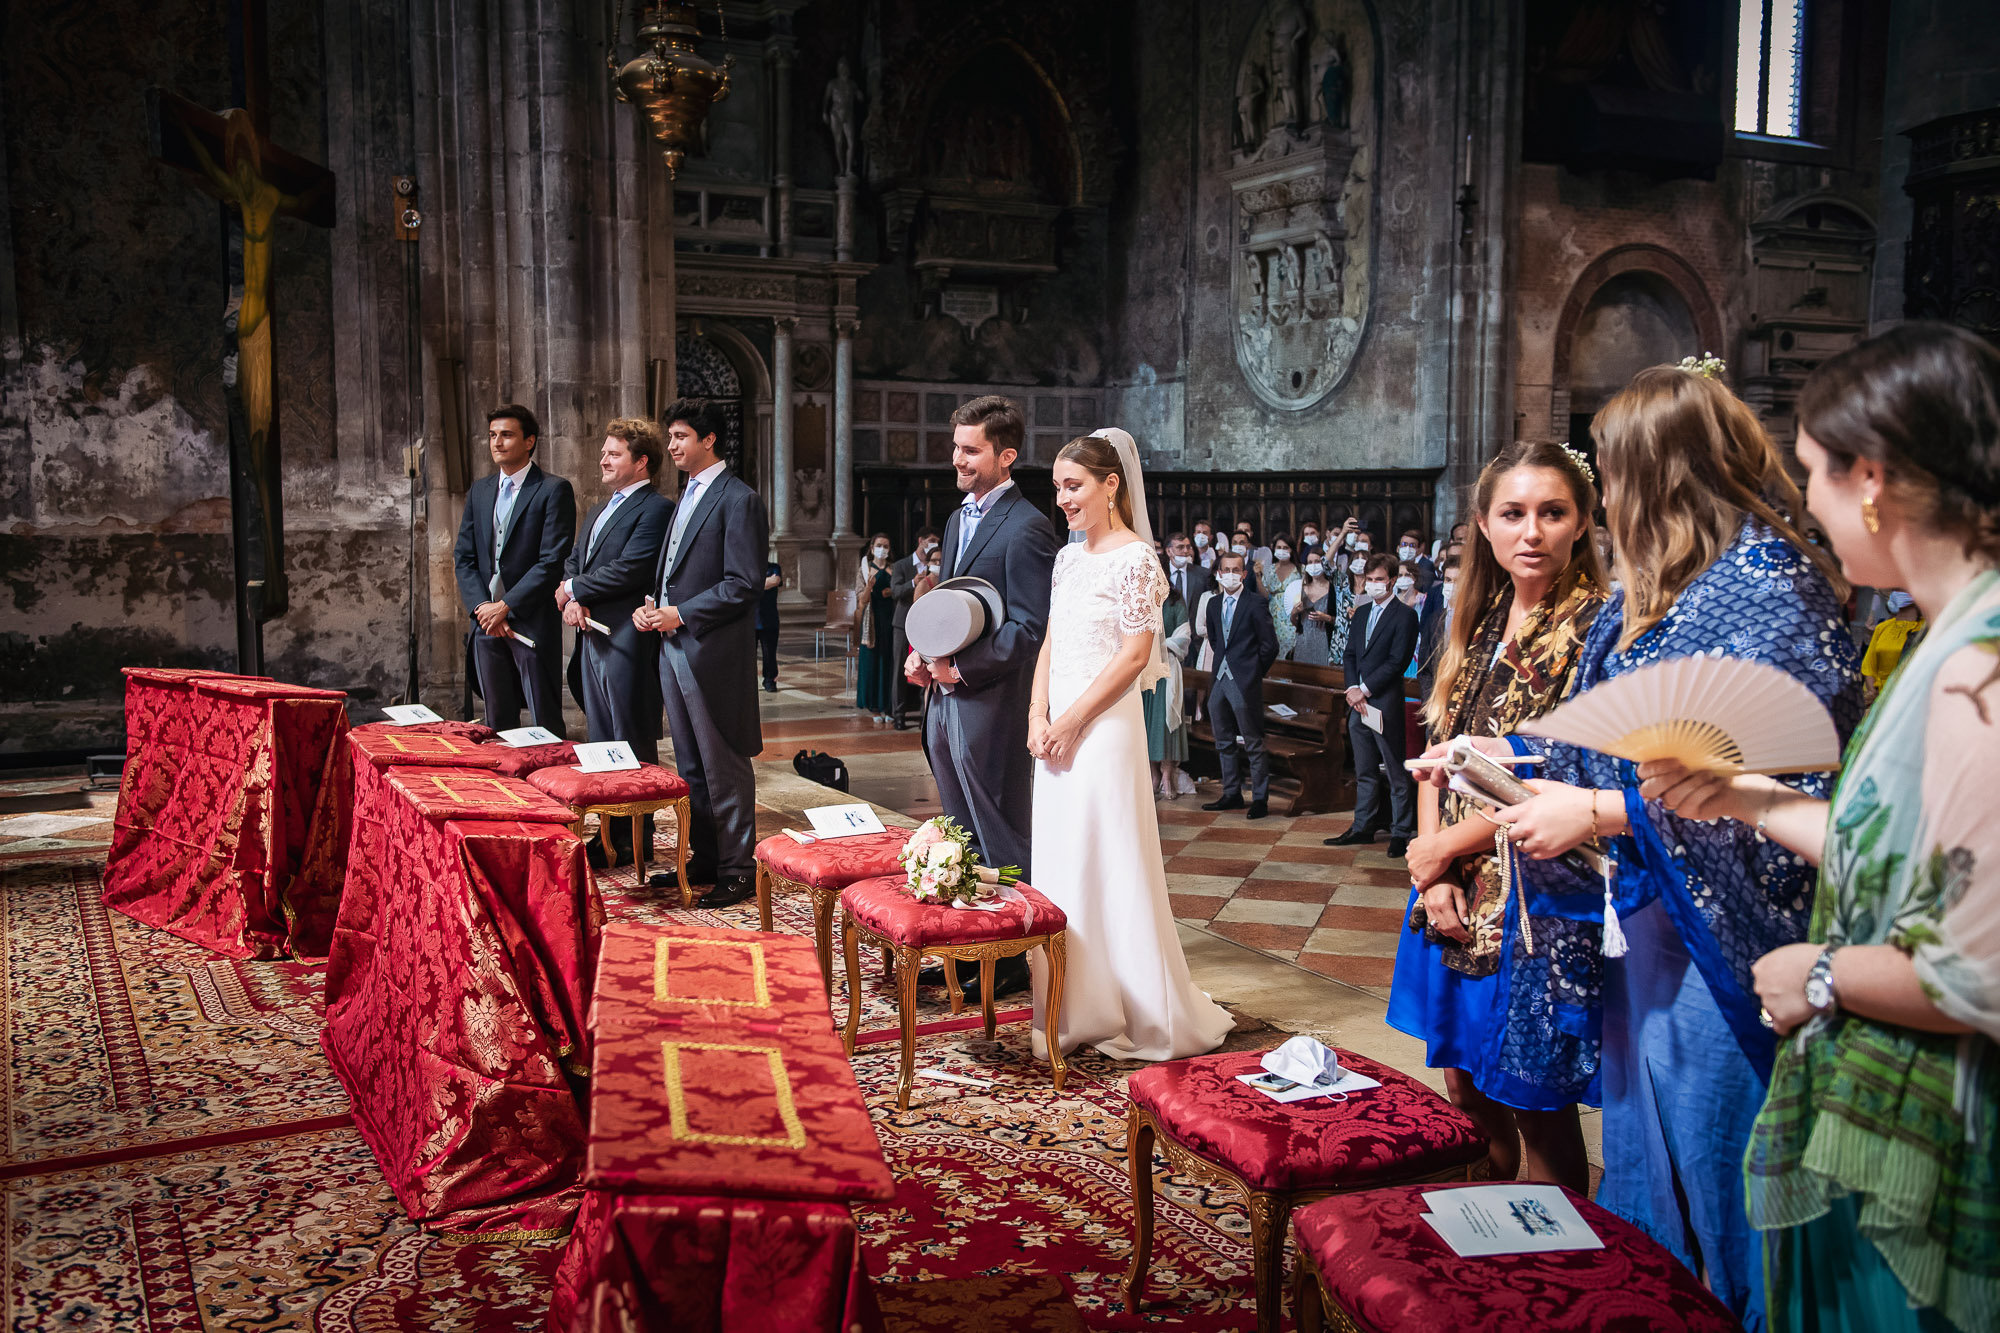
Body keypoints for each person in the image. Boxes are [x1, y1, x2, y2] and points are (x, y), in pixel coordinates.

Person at [1450, 365, 1866, 1331]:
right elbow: (1601, 731)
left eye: (1613, 474)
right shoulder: (1678, 583)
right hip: (1650, 912)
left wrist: (1598, 814)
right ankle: (1658, 1304)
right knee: (1646, 1155)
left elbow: (1774, 783)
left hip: (1728, 928)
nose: (1608, 501)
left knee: (1722, 1161)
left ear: (1663, 474)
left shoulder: (1767, 585)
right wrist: (1495, 754)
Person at [1633, 325, 2000, 1333]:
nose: (1806, 503)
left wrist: (1821, 975)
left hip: (1931, 1112)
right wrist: (1747, 795)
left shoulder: (1978, 672)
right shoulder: (1947, 638)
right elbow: (1896, 850)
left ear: (1870, 479)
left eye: (1813, 476)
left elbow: (1977, 974)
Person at [1387, 442, 1608, 1190]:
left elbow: (1559, 769)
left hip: (1529, 895)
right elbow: (1436, 740)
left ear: (1582, 522)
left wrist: (1444, 844)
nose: (1532, 532)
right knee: (1464, 1086)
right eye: (1514, 513)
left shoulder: (1592, 627)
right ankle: (1486, 1241)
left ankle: (1549, 1269)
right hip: (1449, 879)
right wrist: (1431, 862)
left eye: (1553, 512)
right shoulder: (1478, 615)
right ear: (1484, 523)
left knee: (1536, 1104)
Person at [1029, 431, 1234, 1061]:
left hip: (1103, 732)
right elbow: (1051, 642)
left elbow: (1135, 654)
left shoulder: (1136, 559)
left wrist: (1071, 722)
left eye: (1074, 486)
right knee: (1061, 866)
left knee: (1109, 862)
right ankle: (1066, 1006)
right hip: (1056, 724)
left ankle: (1137, 1007)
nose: (1062, 499)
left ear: (1110, 484)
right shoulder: (1068, 558)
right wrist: (1037, 714)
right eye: (1058, 487)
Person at [906, 396, 1062, 1004]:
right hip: (947, 698)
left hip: (992, 701)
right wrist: (925, 654)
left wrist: (960, 670)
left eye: (971, 451)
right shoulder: (958, 518)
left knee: (999, 829)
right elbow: (953, 608)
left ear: (1007, 455)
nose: (959, 460)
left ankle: (1015, 954)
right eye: (956, 448)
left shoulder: (1027, 527)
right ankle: (971, 944)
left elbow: (1027, 628)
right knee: (957, 827)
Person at [635, 398, 770, 910]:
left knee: (723, 763)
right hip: (673, 645)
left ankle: (737, 870)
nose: (671, 446)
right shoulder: (685, 495)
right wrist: (654, 607)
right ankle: (708, 858)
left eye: (680, 437)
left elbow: (743, 583)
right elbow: (673, 570)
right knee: (691, 764)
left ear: (709, 439)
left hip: (712, 652)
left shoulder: (738, 500)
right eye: (670, 437)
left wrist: (682, 612)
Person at [557, 418, 674, 867]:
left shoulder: (655, 509)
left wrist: (575, 591)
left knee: (630, 741)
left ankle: (636, 840)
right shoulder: (598, 509)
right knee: (602, 742)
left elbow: (633, 567)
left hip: (626, 637)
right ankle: (609, 837)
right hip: (591, 637)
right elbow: (575, 559)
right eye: (604, 452)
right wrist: (571, 596)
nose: (603, 459)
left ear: (641, 461)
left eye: (614, 453)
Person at [453, 404, 574, 734]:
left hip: (531, 621)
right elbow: (464, 558)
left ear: (529, 441)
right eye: (492, 435)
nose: (497, 442)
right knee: (496, 723)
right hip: (486, 625)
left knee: (544, 722)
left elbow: (551, 561)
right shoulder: (480, 490)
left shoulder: (553, 489)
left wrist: (506, 607)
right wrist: (483, 610)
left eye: (507, 435)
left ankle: (549, 782)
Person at [1329, 552, 1419, 856]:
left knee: (1395, 770)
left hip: (1383, 701)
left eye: (1379, 579)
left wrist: (1364, 689)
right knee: (1364, 769)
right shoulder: (1363, 611)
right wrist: (1352, 687)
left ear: (1392, 580)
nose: (1373, 584)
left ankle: (1400, 831)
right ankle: (1362, 826)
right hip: (1358, 703)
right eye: (1369, 580)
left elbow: (1397, 662)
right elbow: (1351, 654)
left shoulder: (1405, 616)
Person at [1201, 550, 1279, 819]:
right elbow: (1215, 640)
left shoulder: (1255, 603)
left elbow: (1270, 646)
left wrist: (1252, 671)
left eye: (1236, 570)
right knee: (1223, 740)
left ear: (1244, 574)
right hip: (1219, 680)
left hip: (1244, 681)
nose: (1231, 575)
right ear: (1219, 574)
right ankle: (1232, 793)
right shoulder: (1213, 604)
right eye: (1226, 570)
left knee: (1253, 741)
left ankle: (1260, 798)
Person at [1147, 549, 1195, 800]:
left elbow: (1183, 636)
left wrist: (1158, 645)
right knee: (1147, 723)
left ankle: (1167, 775)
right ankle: (1153, 774)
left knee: (1166, 723)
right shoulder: (1141, 597)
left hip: (1166, 667)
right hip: (1142, 670)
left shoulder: (1175, 600)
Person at [888, 529, 939, 729]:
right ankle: (898, 714)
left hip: (927, 625)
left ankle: (923, 715)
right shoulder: (901, 565)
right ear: (921, 541)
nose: (934, 544)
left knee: (924, 667)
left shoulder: (938, 566)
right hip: (903, 622)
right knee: (900, 669)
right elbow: (895, 592)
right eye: (931, 540)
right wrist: (913, 583)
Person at [855, 534, 896, 723]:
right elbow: (862, 601)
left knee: (889, 661)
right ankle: (874, 707)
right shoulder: (864, 570)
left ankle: (887, 705)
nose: (882, 549)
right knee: (873, 662)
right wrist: (869, 587)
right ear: (872, 548)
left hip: (890, 618)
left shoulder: (894, 569)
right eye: (879, 545)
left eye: (885, 545)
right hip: (872, 620)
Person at [1859, 589, 1924, 696]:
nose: (1898, 593)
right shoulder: (1882, 627)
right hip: (1880, 694)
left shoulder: (1924, 629)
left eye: (1903, 589)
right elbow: (1868, 666)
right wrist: (1873, 692)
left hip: (1907, 694)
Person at [1415, 551, 1458, 701]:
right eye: (1448, 580)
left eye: (1458, 581)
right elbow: (1424, 666)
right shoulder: (1435, 619)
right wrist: (1430, 699)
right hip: (1435, 701)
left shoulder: (1478, 620)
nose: (1452, 586)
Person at [1291, 546, 1338, 667]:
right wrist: (1294, 612)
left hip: (1325, 642)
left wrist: (1327, 618)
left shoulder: (1333, 589)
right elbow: (1296, 623)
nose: (1313, 565)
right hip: (1303, 642)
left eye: (1317, 561)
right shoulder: (1301, 588)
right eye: (1310, 562)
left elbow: (1341, 621)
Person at [1267, 532, 1302, 659]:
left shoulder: (1301, 569)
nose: (1282, 550)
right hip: (1273, 614)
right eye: (1279, 548)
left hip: (1292, 614)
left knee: (1291, 651)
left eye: (1286, 548)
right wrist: (1258, 576)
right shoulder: (1270, 569)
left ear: (1292, 550)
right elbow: (1265, 593)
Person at [1164, 531, 1212, 612]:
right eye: (1180, 547)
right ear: (1169, 551)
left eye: (1188, 547)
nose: (1186, 551)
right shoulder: (1160, 574)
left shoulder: (1203, 574)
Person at [756, 552, 783, 693]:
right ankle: (747, 683)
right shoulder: (749, 568)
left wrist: (754, 584)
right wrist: (764, 582)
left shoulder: (774, 567)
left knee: (769, 654)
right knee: (747, 656)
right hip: (750, 620)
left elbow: (776, 581)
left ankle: (770, 681)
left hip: (769, 619)